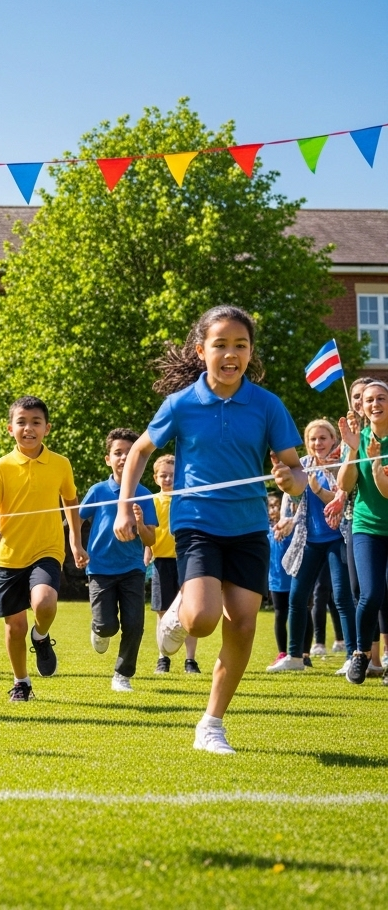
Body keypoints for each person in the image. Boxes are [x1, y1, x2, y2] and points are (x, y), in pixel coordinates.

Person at [115, 306, 305, 754]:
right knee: (201, 620)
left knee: (241, 624)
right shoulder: (181, 404)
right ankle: (180, 612)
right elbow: (140, 452)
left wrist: (289, 481)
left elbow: (296, 473)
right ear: (202, 351)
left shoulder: (267, 405)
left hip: (249, 526)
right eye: (220, 345)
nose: (231, 354)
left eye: (240, 345)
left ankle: (212, 723)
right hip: (197, 521)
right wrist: (126, 506)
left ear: (250, 352)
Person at [0, 396, 83, 702]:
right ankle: (21, 682)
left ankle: (40, 636)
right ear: (11, 428)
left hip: (47, 549)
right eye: (22, 422)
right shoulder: (2, 467)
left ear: (47, 428)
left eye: (36, 422)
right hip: (9, 555)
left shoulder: (61, 464)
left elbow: (70, 503)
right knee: (15, 627)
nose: (29, 428)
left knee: (44, 603)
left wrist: (75, 542)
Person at [268, 419, 356, 672]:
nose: (318, 443)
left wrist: (318, 488)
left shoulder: (343, 464)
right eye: (313, 439)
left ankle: (352, 656)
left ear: (333, 440)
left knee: (341, 596)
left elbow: (343, 497)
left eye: (323, 438)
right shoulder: (302, 466)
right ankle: (296, 657)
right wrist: (289, 521)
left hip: (337, 539)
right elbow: (294, 499)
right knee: (297, 597)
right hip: (309, 541)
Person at [74, 429, 157, 692]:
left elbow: (151, 539)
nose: (124, 458)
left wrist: (141, 523)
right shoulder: (98, 491)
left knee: (134, 623)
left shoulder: (144, 494)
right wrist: (76, 546)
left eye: (130, 453)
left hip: (132, 567)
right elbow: (76, 518)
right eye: (118, 453)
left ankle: (122, 675)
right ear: (107, 459)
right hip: (99, 568)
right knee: (107, 626)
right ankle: (98, 629)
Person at [336, 379, 388, 684]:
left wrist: (376, 459)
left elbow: (385, 491)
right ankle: (360, 654)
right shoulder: (359, 437)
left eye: (381, 398)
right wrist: (354, 452)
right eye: (369, 400)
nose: (375, 404)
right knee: (370, 594)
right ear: (362, 407)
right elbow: (344, 484)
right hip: (366, 527)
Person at [144, 454, 200, 674]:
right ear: (156, 477)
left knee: (190, 611)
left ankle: (190, 660)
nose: (167, 479)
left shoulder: (187, 499)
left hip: (187, 562)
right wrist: (147, 552)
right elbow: (149, 532)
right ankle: (163, 658)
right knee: (163, 612)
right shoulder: (153, 501)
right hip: (161, 564)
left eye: (172, 475)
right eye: (163, 475)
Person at [267, 493, 294, 665]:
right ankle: (282, 652)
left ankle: (303, 653)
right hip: (276, 580)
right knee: (280, 615)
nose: (274, 509)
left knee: (301, 612)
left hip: (294, 576)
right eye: (270, 506)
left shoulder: (293, 527)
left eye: (277, 505)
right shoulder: (265, 530)